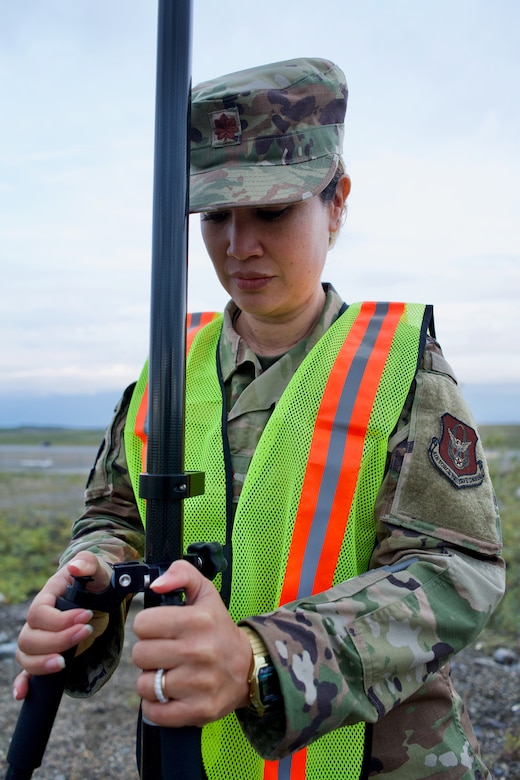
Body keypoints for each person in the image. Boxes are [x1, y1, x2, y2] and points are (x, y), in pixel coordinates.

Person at [13, 58, 505, 779]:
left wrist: (262, 658)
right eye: (215, 215)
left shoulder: (400, 365)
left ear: (336, 202)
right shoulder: (168, 363)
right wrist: (87, 583)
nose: (237, 245)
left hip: (378, 757)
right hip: (188, 753)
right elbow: (115, 512)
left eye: (271, 211)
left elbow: (458, 571)